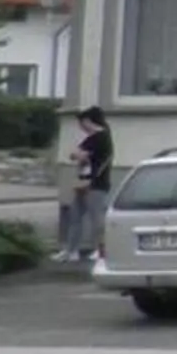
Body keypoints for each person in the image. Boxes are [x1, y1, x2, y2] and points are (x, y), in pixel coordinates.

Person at [66, 107, 113, 264]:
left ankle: (100, 251)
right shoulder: (91, 138)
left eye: (81, 122)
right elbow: (75, 154)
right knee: (75, 217)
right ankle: (71, 250)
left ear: (88, 121)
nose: (81, 127)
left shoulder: (101, 137)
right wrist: (79, 155)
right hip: (83, 182)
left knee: (97, 219)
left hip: (96, 184)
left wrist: (80, 155)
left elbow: (79, 154)